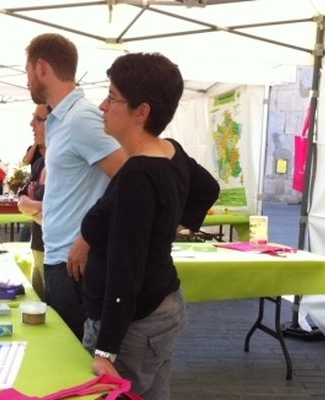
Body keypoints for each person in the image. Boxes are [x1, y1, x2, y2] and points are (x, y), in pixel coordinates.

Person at [80, 53, 219, 399]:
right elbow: (208, 189)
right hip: (161, 304)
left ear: (141, 112)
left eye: (112, 97)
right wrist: (172, 223)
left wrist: (106, 351)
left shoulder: (138, 175)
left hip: (134, 324)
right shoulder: (169, 151)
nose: (102, 105)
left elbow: (125, 269)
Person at [25, 33, 126, 340]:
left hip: (76, 267)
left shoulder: (82, 118)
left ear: (41, 67)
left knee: (77, 368)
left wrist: (89, 236)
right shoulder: (60, 120)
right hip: (61, 261)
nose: (27, 79)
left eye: (26, 70)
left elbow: (129, 180)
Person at [17, 104, 50, 300]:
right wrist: (40, 208)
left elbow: (55, 213)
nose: (32, 124)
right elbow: (21, 198)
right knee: (38, 300)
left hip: (55, 253)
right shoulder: (39, 162)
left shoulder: (68, 165)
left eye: (38, 119)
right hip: (38, 244)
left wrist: (35, 207)